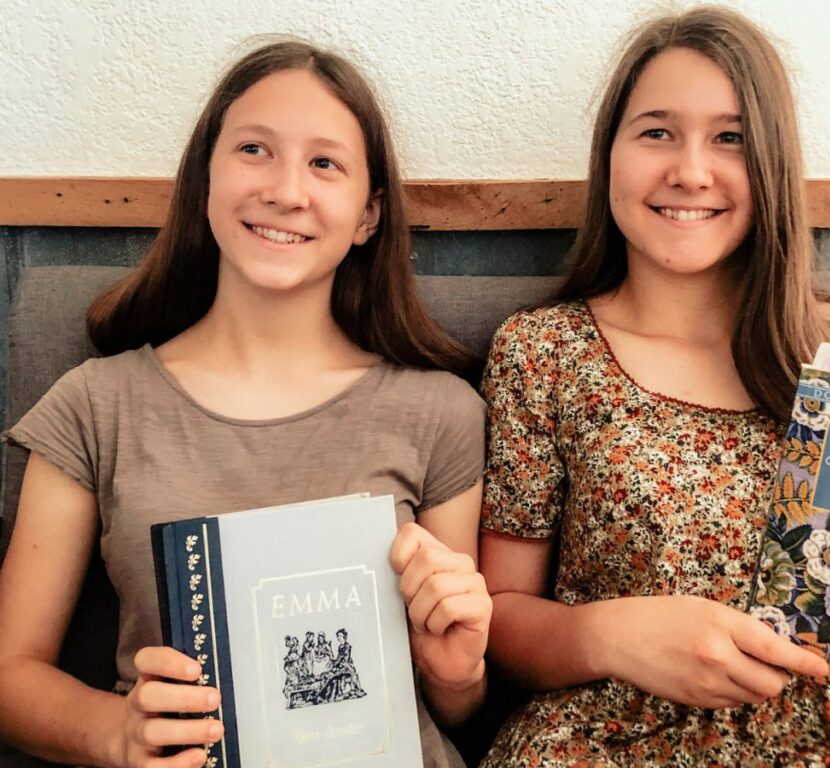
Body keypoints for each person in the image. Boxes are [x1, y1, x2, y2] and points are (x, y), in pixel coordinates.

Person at [478, 7, 830, 767]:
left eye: (731, 138)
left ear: (773, 165)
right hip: (593, 746)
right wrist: (615, 634)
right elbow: (498, 620)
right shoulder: (543, 352)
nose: (690, 170)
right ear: (609, 155)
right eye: (656, 131)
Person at [0, 40, 490, 768]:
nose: (286, 189)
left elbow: (456, 702)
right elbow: (10, 676)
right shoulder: (95, 405)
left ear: (368, 215)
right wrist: (117, 733)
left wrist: (460, 670)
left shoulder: (441, 413)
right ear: (205, 179)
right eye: (255, 149)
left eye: (325, 163)